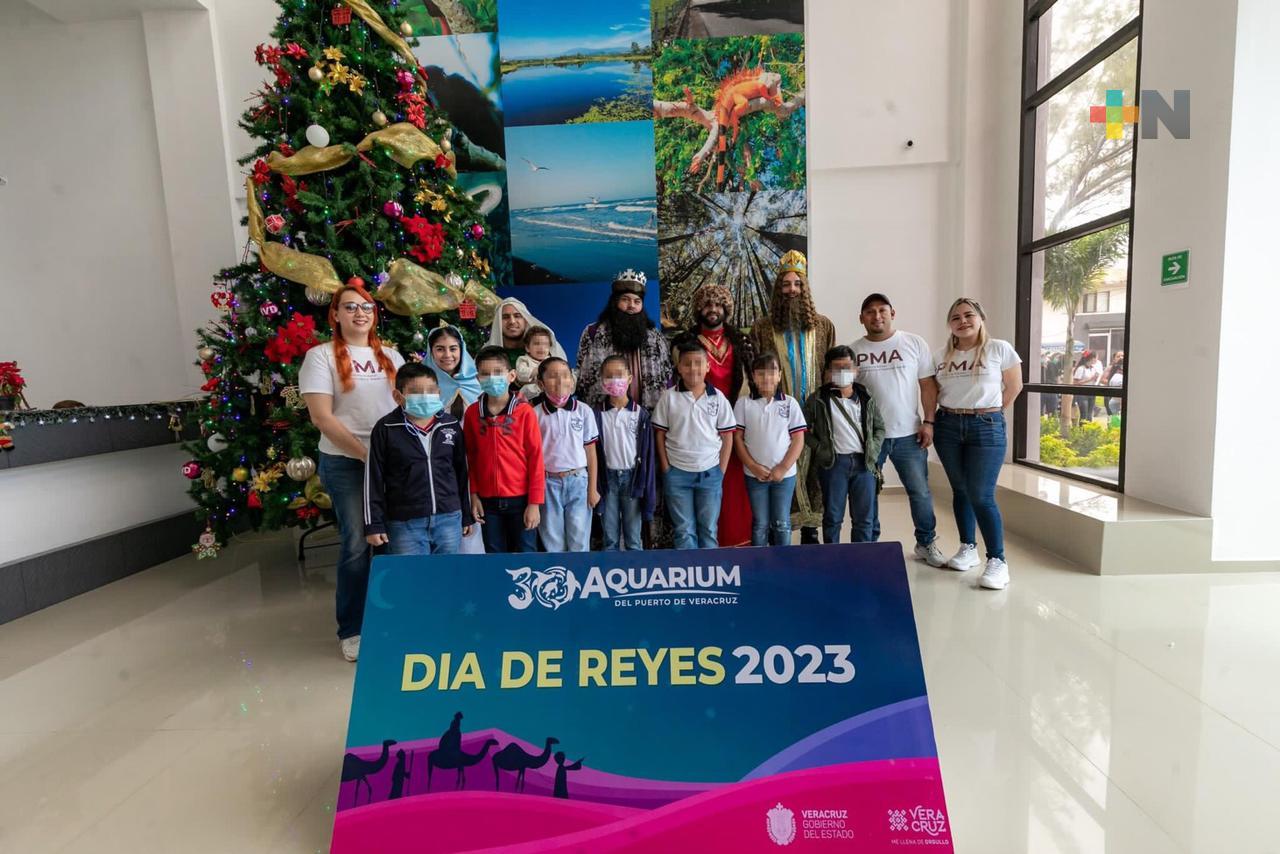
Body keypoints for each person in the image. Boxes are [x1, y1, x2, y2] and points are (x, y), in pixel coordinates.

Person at [299, 283, 405, 662]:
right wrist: (365, 455)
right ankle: (353, 629)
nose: (360, 313)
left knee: (396, 542)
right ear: (336, 314)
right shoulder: (320, 356)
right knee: (358, 544)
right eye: (350, 307)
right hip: (346, 462)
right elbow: (321, 418)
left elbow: (408, 406)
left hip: (390, 463)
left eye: (366, 307)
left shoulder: (391, 355)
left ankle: (394, 620)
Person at [929, 298, 1023, 590]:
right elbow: (934, 392)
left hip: (986, 426)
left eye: (969, 315)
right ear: (950, 324)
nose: (963, 321)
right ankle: (968, 547)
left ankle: (997, 560)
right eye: (956, 317)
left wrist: (991, 413)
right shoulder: (940, 355)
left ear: (981, 318)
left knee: (981, 495)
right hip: (948, 426)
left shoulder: (999, 349)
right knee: (960, 489)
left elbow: (1014, 386)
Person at [852, 293, 947, 566]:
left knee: (919, 491)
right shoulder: (853, 350)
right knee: (868, 493)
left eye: (882, 310)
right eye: (869, 311)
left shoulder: (913, 343)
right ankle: (869, 546)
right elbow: (843, 392)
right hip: (869, 437)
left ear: (893, 313)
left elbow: (928, 386)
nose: (876, 316)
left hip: (909, 433)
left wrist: (929, 422)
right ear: (861, 318)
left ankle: (927, 543)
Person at [750, 251, 835, 544]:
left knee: (812, 467)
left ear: (805, 288)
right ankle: (780, 527)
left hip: (815, 412)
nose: (792, 290)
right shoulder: (762, 327)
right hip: (776, 413)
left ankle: (811, 529)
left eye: (797, 284)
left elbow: (829, 370)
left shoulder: (823, 325)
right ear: (778, 289)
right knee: (781, 465)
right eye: (785, 285)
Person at [363, 362, 473, 556]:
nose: (425, 396)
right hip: (405, 524)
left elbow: (462, 472)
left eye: (431, 391)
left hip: (449, 518)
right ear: (398, 396)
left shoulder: (450, 425)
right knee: (413, 579)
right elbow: (373, 479)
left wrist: (466, 514)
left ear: (438, 392)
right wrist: (374, 524)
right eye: (415, 391)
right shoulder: (386, 428)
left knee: (446, 576)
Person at [685, 283, 755, 547]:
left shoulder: (740, 341)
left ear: (726, 309)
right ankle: (706, 546)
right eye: (707, 304)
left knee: (734, 483)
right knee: (705, 482)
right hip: (699, 424)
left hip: (735, 423)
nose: (712, 309)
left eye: (718, 304)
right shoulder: (685, 343)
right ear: (699, 309)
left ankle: (738, 542)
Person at [653, 339, 737, 549]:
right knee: (684, 530)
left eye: (699, 363)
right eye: (687, 363)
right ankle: (689, 577)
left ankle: (709, 577)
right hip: (677, 474)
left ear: (708, 366)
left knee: (708, 528)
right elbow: (660, 434)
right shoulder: (668, 398)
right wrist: (666, 469)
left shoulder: (718, 398)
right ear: (679, 368)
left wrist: (721, 470)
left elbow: (728, 436)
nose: (693, 368)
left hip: (710, 474)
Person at [463, 346, 545, 553]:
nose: (492, 378)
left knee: (526, 553)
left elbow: (535, 458)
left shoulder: (524, 412)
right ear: (478, 378)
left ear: (511, 376)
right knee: (494, 555)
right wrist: (473, 494)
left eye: (498, 372)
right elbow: (471, 457)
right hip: (487, 502)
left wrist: (534, 503)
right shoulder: (473, 414)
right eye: (485, 373)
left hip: (521, 500)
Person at [803, 346, 885, 544]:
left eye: (846, 367)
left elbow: (879, 428)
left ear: (856, 370)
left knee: (864, 519)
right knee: (832, 517)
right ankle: (833, 559)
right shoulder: (818, 399)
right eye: (836, 368)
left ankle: (861, 559)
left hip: (863, 464)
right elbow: (802, 430)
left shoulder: (866, 397)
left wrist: (873, 449)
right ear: (828, 372)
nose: (841, 372)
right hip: (833, 464)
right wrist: (820, 449)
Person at [733, 353, 807, 547]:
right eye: (761, 373)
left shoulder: (789, 403)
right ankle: (760, 564)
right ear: (753, 376)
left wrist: (783, 467)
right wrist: (752, 465)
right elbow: (737, 438)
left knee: (782, 522)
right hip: (754, 475)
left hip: (785, 476)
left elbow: (798, 439)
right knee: (760, 524)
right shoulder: (743, 404)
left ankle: (784, 564)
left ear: (780, 375)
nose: (766, 378)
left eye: (772, 372)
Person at [529, 357, 600, 552]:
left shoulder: (584, 411)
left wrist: (592, 489)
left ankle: (580, 577)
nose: (560, 381)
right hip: (548, 484)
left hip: (578, 481)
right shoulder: (534, 414)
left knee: (579, 538)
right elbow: (533, 456)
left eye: (565, 376)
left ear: (572, 380)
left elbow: (591, 451)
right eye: (552, 377)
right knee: (553, 540)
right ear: (540, 384)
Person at [576, 270, 672, 412]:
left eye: (637, 301)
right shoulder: (593, 332)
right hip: (603, 414)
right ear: (615, 302)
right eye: (625, 300)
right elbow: (581, 373)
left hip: (647, 415)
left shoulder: (656, 337)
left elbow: (667, 375)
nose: (631, 305)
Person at [593, 354, 658, 551]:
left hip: (632, 479)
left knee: (633, 537)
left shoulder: (641, 414)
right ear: (602, 381)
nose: (615, 380)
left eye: (619, 375)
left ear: (630, 378)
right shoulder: (595, 413)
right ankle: (611, 575)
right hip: (607, 480)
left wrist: (647, 486)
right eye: (609, 376)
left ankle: (635, 575)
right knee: (610, 537)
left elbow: (648, 456)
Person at [487, 297, 566, 368]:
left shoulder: (548, 348)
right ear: (498, 323)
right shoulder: (486, 352)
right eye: (505, 317)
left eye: (517, 316)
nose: (512, 321)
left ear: (525, 320)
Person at [424, 325, 481, 419]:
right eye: (440, 349)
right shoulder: (422, 384)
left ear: (461, 350)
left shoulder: (477, 382)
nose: (447, 355)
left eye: (453, 349)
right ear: (431, 352)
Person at [515, 326, 555, 401]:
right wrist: (537, 370)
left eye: (545, 344)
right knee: (526, 389)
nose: (541, 347)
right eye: (537, 344)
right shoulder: (524, 359)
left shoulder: (551, 361)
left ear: (549, 348)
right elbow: (520, 374)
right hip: (531, 392)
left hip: (549, 391)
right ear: (527, 347)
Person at [1071, 351, 1102, 424]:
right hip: (1082, 393)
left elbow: (1093, 379)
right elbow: (1075, 383)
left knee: (1089, 414)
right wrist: (1090, 379)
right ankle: (1082, 430)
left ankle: (1088, 430)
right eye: (1096, 358)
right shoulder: (1081, 368)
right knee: (1084, 414)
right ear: (1092, 358)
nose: (1097, 360)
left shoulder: (1093, 368)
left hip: (1091, 392)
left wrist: (1095, 379)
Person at [1103, 351, 1125, 415]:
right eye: (1118, 356)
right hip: (1110, 393)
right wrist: (1115, 383)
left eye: (1122, 356)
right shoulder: (1110, 368)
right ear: (1114, 358)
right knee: (1111, 416)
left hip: (1119, 397)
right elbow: (1103, 379)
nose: (1121, 358)